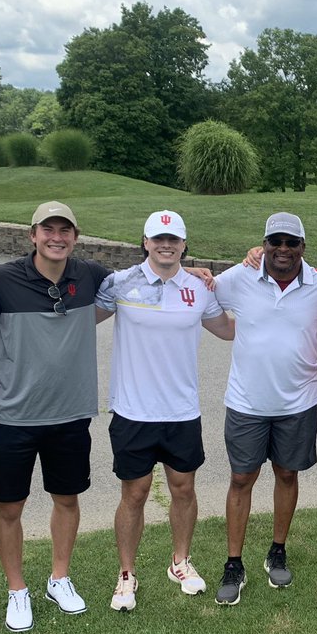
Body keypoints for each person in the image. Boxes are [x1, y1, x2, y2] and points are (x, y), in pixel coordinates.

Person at [0, 201, 111, 631]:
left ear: (75, 235)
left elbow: (152, 276)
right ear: (32, 235)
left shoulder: (91, 276)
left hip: (70, 415)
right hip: (13, 418)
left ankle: (60, 578)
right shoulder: (1, 280)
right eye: (47, 229)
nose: (57, 237)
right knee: (9, 506)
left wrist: (201, 274)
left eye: (65, 230)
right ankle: (18, 590)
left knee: (67, 499)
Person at [95, 211, 234, 611]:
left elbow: (226, 329)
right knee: (135, 493)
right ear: (145, 242)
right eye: (159, 238)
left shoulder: (199, 288)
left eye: (173, 239)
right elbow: (83, 318)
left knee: (183, 489)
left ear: (184, 245)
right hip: (133, 411)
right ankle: (126, 574)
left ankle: (180, 561)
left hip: (181, 411)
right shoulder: (120, 284)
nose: (166, 245)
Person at [210, 212, 317, 605]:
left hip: (297, 403)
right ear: (263, 244)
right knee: (241, 479)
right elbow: (202, 295)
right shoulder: (239, 277)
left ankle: (277, 549)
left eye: (291, 243)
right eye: (274, 242)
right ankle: (234, 562)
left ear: (303, 247)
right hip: (247, 403)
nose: (282, 250)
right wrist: (194, 271)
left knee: (286, 474)